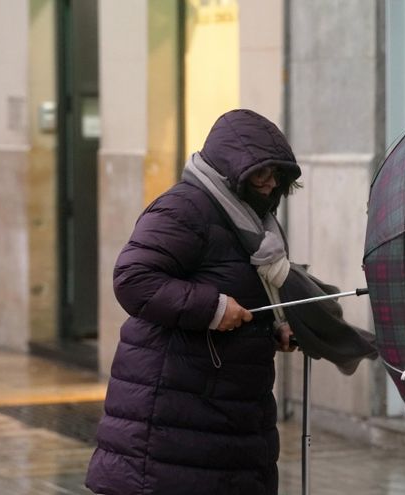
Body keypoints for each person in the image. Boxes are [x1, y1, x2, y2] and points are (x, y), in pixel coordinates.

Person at [85, 109, 302, 494]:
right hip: (172, 416)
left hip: (225, 414)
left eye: (277, 175)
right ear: (231, 168)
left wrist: (274, 326)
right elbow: (134, 279)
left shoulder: (255, 221)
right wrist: (213, 308)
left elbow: (242, 285)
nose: (269, 185)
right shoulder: (185, 208)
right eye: (260, 173)